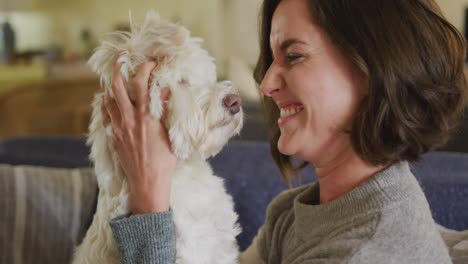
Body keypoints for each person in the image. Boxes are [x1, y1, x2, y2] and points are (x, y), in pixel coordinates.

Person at [102, 0, 467, 263]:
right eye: (271, 60)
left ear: (372, 68)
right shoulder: (293, 214)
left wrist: (149, 201)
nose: (266, 84)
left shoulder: (361, 252)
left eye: (293, 56)